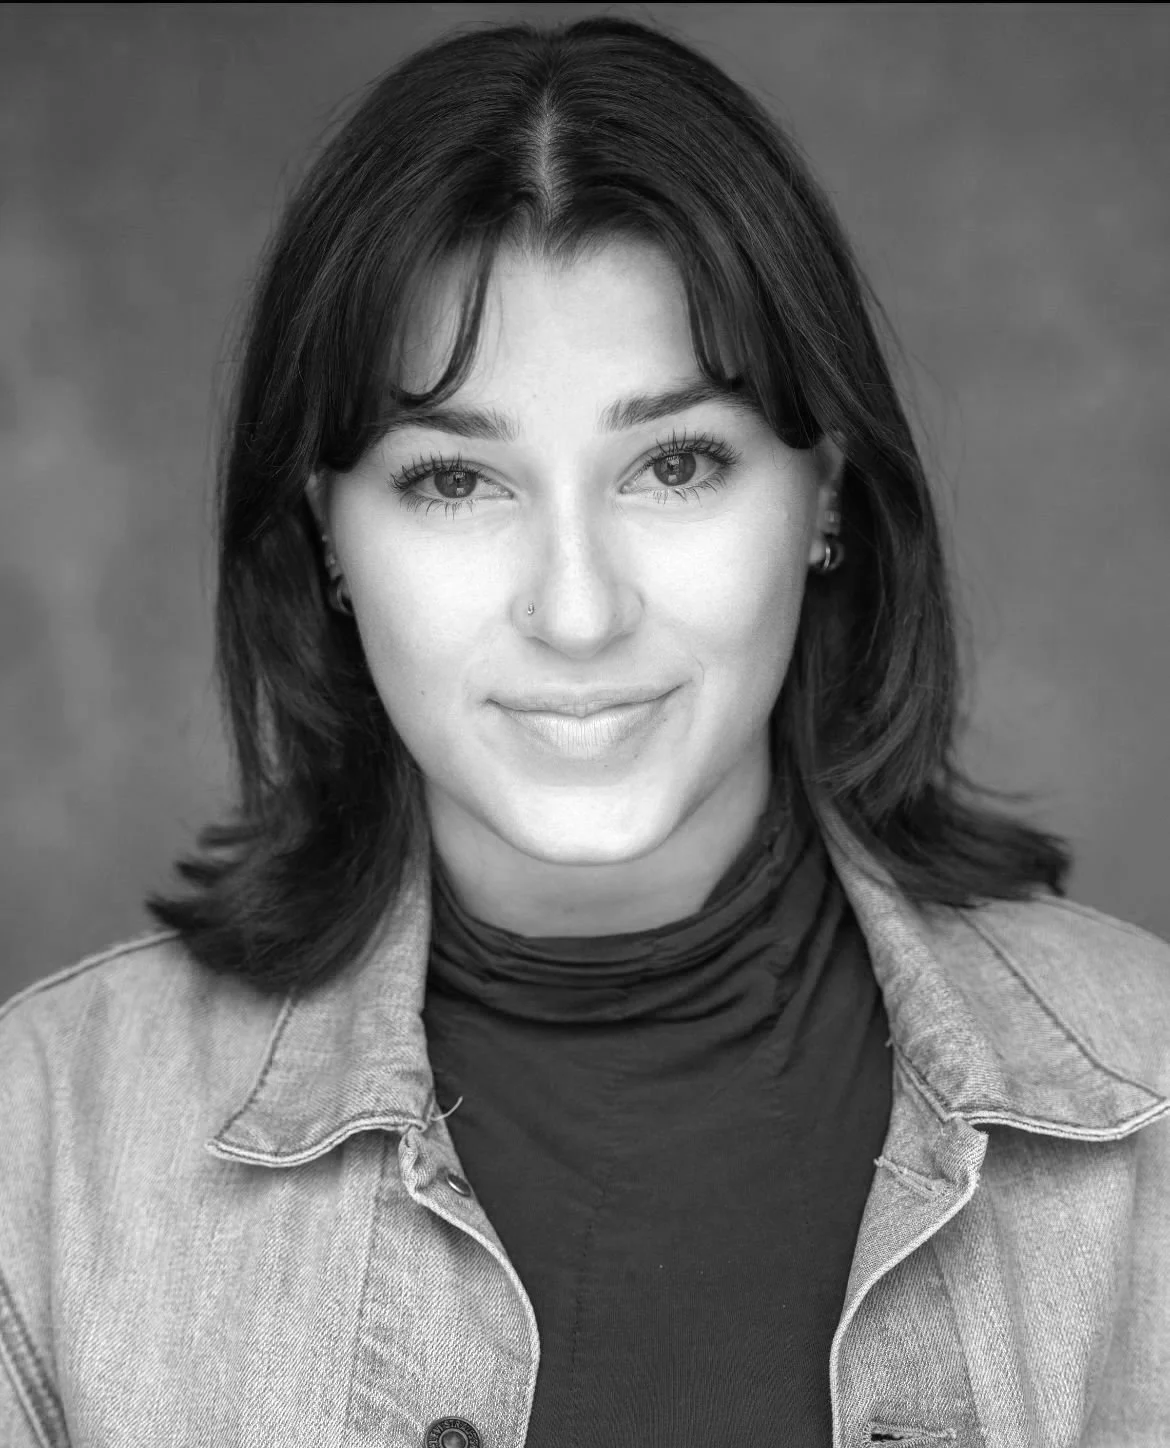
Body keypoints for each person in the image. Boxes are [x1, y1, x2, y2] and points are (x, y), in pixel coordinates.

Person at [1, 15, 1167, 1448]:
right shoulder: (37, 1159)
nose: (574, 609)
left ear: (824, 498)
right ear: (324, 533)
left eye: (673, 464)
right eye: (452, 482)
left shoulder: (1154, 1107)